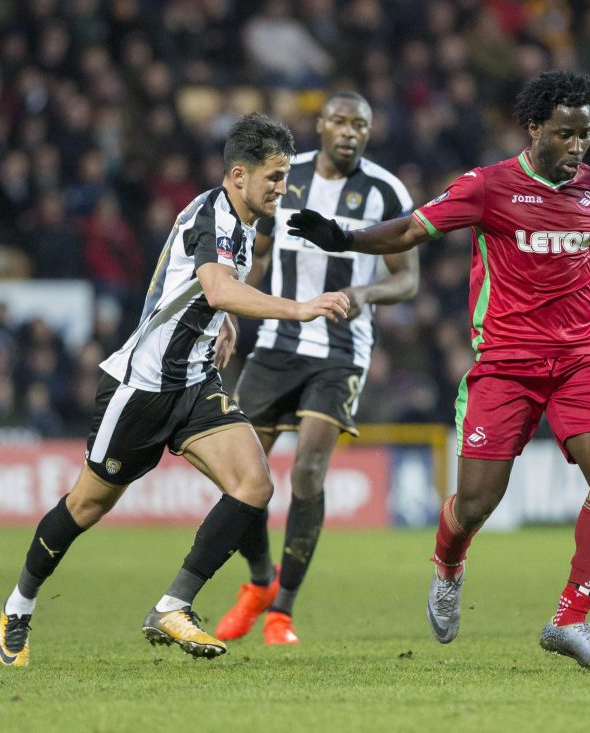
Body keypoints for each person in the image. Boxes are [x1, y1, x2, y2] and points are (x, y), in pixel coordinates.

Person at [287, 70, 590, 672]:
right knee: (475, 504)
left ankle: (570, 619)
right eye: (566, 134)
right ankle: (448, 564)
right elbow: (411, 228)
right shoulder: (489, 187)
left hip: (580, 361)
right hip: (504, 366)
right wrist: (344, 237)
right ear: (534, 127)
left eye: (586, 136)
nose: (577, 148)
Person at [0, 112, 350, 667]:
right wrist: (298, 308)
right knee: (86, 505)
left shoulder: (244, 218)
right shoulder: (213, 215)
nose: (282, 188)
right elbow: (215, 284)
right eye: (274, 177)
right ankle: (18, 605)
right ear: (238, 175)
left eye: (284, 176)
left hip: (194, 384)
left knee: (254, 484)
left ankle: (172, 605)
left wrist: (221, 321)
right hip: (140, 388)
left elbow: (205, 290)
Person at [213, 91, 418, 646]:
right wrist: (229, 312)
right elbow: (253, 256)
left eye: (361, 124)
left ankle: (282, 610)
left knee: (307, 473)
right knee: (243, 473)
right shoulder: (284, 176)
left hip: (340, 349)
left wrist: (364, 291)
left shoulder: (386, 191)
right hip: (276, 342)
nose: (349, 131)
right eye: (339, 121)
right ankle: (257, 582)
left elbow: (408, 277)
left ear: (370, 132)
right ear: (320, 125)